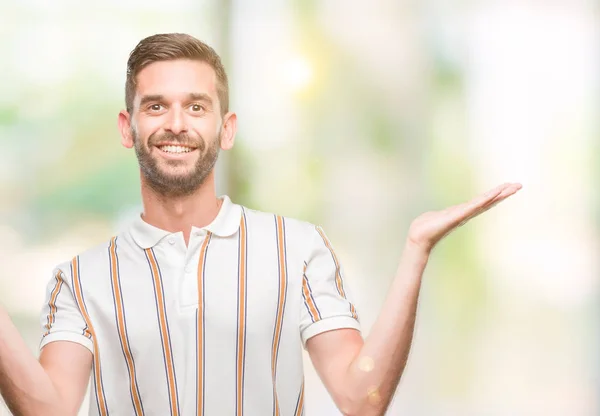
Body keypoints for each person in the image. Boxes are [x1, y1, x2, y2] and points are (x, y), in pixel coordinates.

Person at [0, 33, 521, 416]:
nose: (176, 124)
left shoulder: (296, 248)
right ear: (127, 126)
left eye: (196, 107)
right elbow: (46, 410)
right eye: (156, 106)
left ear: (225, 129)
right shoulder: (81, 277)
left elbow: (362, 399)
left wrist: (416, 250)